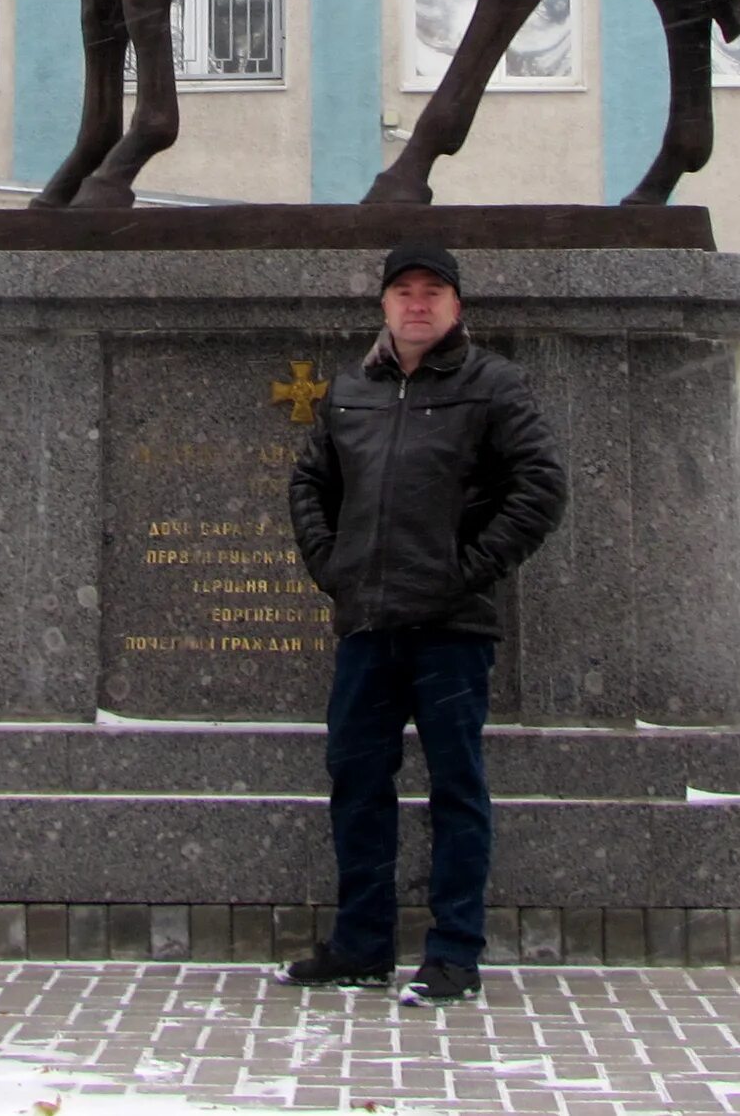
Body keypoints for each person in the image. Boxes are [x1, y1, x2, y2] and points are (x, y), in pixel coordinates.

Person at [281, 240, 567, 1009]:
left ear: (456, 306)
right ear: (382, 304)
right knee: (358, 783)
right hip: (368, 627)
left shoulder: (493, 386)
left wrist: (463, 571)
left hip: (451, 630)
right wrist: (333, 567)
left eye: (432, 291)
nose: (417, 303)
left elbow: (540, 488)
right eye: (403, 290)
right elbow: (310, 482)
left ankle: (453, 954)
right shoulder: (350, 391)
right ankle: (362, 946)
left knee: (456, 790)